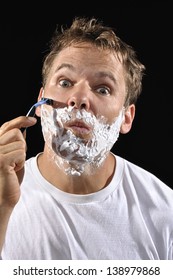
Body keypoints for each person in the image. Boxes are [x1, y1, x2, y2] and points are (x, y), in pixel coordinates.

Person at [0, 16, 172, 260]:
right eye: (65, 81)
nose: (78, 98)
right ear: (40, 102)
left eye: (102, 89)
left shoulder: (165, 212)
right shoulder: (2, 194)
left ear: (126, 118)